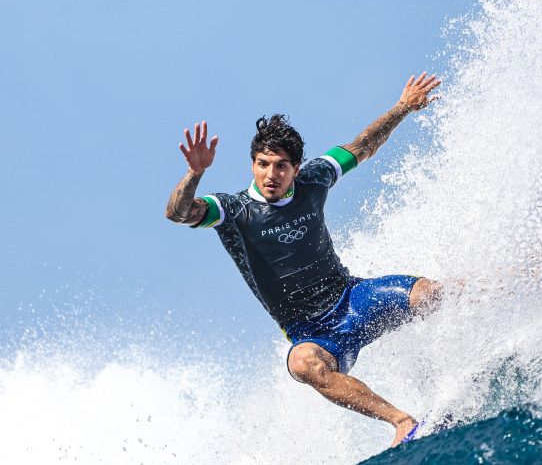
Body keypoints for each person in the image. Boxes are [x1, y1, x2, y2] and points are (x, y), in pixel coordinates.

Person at [165, 72, 442, 446]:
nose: (271, 174)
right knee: (302, 364)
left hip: (352, 299)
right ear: (252, 164)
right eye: (263, 164)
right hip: (312, 334)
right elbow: (179, 213)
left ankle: (518, 286)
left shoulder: (315, 179)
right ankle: (402, 422)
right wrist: (194, 173)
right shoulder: (232, 211)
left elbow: (363, 145)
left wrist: (403, 107)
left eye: (281, 166)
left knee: (429, 293)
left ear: (296, 168)